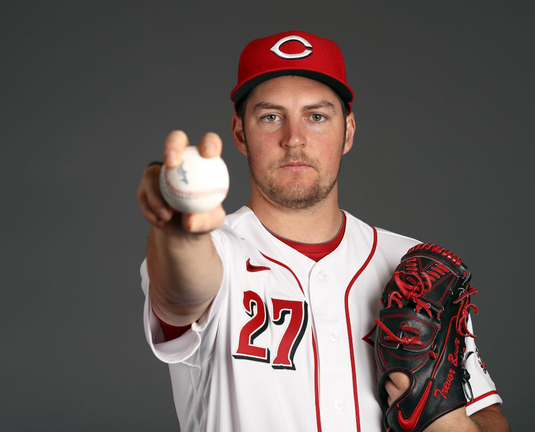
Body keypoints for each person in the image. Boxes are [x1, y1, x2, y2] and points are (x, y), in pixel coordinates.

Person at [136, 30, 509, 432]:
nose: (294, 139)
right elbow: (181, 291)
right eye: (271, 117)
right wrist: (177, 233)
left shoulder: (414, 269)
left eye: (316, 116)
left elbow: (488, 418)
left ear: (347, 131)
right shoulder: (216, 252)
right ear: (241, 133)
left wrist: (439, 413)